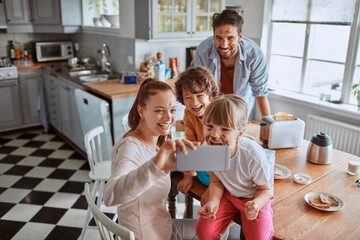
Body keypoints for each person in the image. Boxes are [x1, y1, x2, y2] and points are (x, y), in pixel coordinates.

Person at [103, 78, 199, 240]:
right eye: (159, 111)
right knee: (217, 229)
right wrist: (156, 166)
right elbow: (110, 196)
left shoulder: (151, 140)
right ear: (141, 111)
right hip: (147, 235)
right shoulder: (131, 147)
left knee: (216, 226)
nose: (169, 118)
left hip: (162, 228)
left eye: (173, 110)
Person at [195, 94, 273, 240]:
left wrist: (256, 204)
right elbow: (216, 181)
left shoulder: (253, 155)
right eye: (209, 126)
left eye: (225, 129)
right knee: (203, 232)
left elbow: (265, 190)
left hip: (253, 196)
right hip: (229, 193)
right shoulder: (207, 149)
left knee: (259, 238)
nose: (215, 135)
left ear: (240, 133)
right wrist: (214, 201)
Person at [194, 9, 271, 117]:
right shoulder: (202, 52)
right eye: (219, 38)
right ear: (213, 36)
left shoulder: (254, 55)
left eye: (230, 38)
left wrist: (268, 128)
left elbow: (260, 92)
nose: (224, 45)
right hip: (212, 110)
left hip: (240, 112)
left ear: (240, 37)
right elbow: (201, 91)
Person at [174, 66, 220, 195]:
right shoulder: (188, 114)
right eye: (188, 97)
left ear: (210, 95)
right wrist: (187, 176)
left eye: (200, 95)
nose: (194, 103)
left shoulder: (220, 112)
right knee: (168, 162)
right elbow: (191, 143)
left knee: (208, 176)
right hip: (201, 157)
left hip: (219, 163)